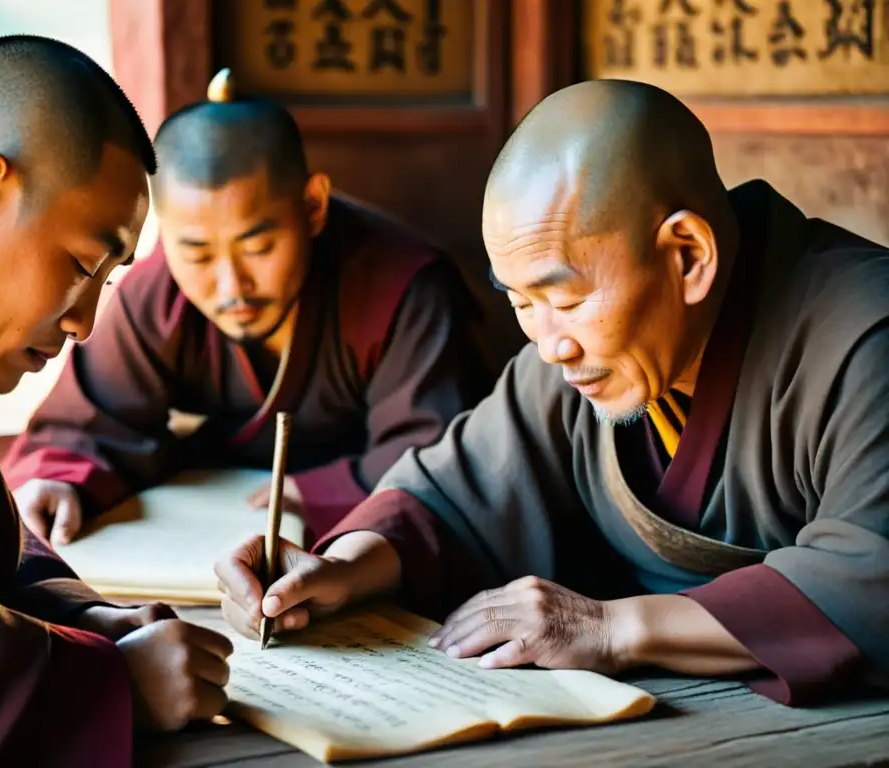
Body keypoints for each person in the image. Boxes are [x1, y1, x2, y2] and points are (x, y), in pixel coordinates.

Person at [215, 79, 889, 707]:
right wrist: (337, 570)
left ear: (686, 255)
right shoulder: (579, 352)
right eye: (521, 303)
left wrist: (613, 628)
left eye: (563, 298)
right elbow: (451, 495)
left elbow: (871, 581)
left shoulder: (866, 333)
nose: (548, 343)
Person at [0, 36, 233, 767]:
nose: (84, 323)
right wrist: (113, 682)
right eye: (79, 265)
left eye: (108, 280)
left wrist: (92, 618)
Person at [1, 70, 490, 547]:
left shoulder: (406, 287)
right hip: (200, 538)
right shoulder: (158, 291)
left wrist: (316, 492)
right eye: (197, 252)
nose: (231, 286)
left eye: (257, 247)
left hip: (355, 542)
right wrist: (61, 481)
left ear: (313, 207)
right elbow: (85, 425)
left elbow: (438, 457)